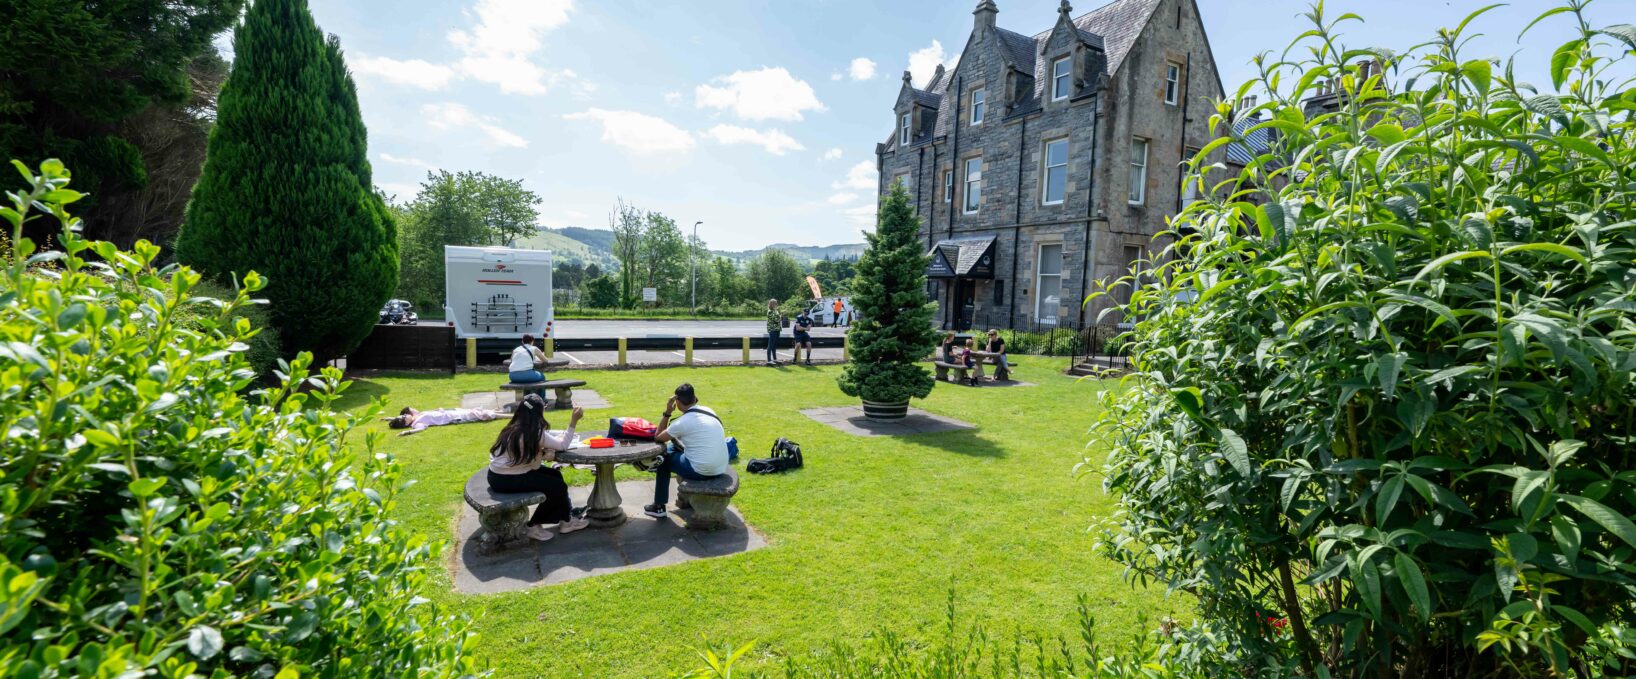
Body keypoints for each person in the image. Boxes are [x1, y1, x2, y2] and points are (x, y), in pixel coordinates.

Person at [486, 395, 588, 541]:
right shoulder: (534, 433)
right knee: (556, 487)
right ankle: (533, 526)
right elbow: (562, 445)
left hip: (496, 476)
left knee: (555, 476)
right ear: (539, 412)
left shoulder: (512, 427)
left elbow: (533, 462)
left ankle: (567, 520)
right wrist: (573, 422)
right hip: (509, 478)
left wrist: (543, 452)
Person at [644, 384, 729, 520]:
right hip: (720, 467)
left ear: (677, 402)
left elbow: (658, 437)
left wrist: (667, 413)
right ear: (694, 398)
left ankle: (658, 507)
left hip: (701, 470)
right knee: (671, 449)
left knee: (663, 460)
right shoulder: (709, 410)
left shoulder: (682, 422)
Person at [387, 406, 503, 436]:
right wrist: (406, 432)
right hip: (455, 417)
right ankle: (510, 416)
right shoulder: (417, 423)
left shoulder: (418, 416)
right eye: (404, 417)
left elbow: (400, 418)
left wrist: (390, 418)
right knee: (482, 414)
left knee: (477, 411)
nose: (406, 414)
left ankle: (504, 413)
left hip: (453, 412)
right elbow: (419, 430)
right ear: (406, 423)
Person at [765, 299, 782, 366]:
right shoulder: (769, 312)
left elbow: (778, 318)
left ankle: (774, 359)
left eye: (776, 303)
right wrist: (781, 316)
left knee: (774, 345)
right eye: (775, 303)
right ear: (772, 304)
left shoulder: (775, 310)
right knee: (770, 345)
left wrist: (780, 316)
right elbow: (776, 320)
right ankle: (769, 360)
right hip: (772, 330)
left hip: (777, 329)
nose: (776, 304)